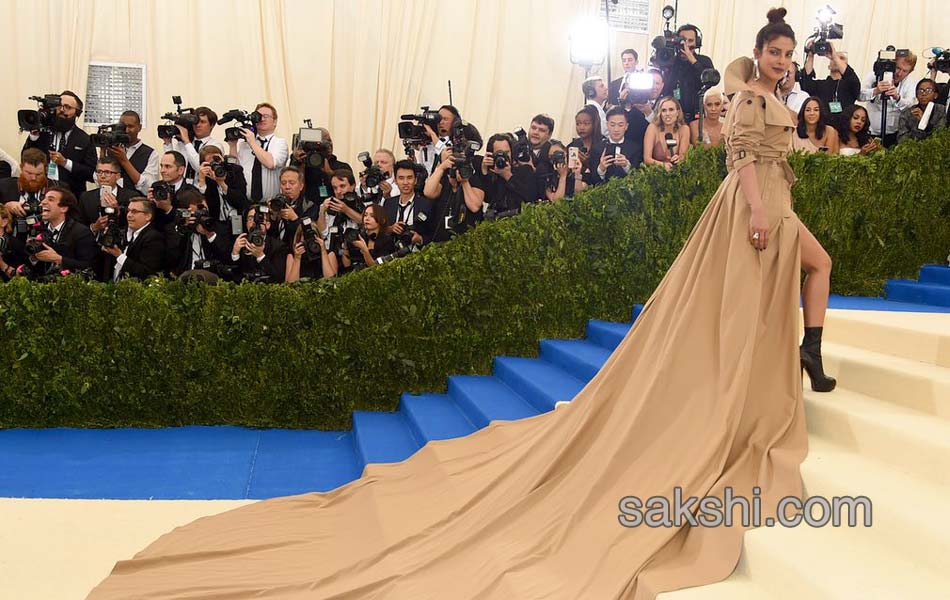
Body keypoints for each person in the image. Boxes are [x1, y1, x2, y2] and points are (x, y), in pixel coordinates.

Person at [87, 10, 821, 600]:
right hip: (756, 208)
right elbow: (745, 162)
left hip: (773, 202)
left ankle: (803, 353)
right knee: (757, 291)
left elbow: (770, 156)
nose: (785, 61)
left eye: (791, 53)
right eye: (777, 50)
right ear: (760, 53)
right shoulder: (751, 99)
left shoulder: (777, 98)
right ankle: (786, 363)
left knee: (804, 271)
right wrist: (758, 207)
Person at [21, 90, 98, 198]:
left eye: (67, 107)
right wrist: (33, 136)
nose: (62, 110)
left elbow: (92, 174)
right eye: (59, 106)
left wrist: (66, 163)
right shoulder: (42, 132)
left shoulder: (85, 139)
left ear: (77, 113)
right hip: (39, 194)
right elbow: (25, 159)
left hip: (71, 197)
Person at [229, 102, 289, 202]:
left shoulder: (280, 143)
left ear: (274, 121)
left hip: (271, 203)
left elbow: (271, 163)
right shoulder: (244, 145)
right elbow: (235, 168)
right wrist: (233, 146)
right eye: (258, 116)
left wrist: (252, 142)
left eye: (266, 116)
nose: (262, 119)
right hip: (246, 203)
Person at [657, 24, 716, 123]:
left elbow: (709, 82)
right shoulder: (672, 62)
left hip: (698, 117)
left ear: (697, 42)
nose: (686, 44)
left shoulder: (704, 61)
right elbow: (665, 88)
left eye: (690, 41)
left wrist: (692, 59)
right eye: (683, 40)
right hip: (673, 118)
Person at [860, 51, 919, 147]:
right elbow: (859, 95)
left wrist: (897, 98)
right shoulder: (874, 75)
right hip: (870, 132)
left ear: (910, 71)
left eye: (905, 71)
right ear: (892, 64)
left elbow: (910, 106)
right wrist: (875, 91)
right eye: (898, 68)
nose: (899, 74)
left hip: (894, 134)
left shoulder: (911, 82)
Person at [800, 42, 861, 126]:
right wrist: (811, 55)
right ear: (828, 66)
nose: (836, 60)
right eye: (833, 59)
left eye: (841, 58)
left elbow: (852, 79)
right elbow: (806, 83)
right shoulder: (820, 85)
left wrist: (835, 57)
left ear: (846, 65)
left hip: (843, 132)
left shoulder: (850, 85)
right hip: (822, 130)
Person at [643, 97, 691, 171]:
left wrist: (679, 159)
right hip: (656, 173)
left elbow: (683, 156)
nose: (667, 114)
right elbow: (647, 159)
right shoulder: (652, 128)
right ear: (660, 113)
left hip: (678, 173)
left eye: (671, 110)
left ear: (678, 112)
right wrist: (662, 165)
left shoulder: (684, 129)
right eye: (664, 110)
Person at [896, 78, 947, 143]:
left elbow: (940, 136)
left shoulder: (941, 110)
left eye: (928, 90)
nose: (924, 94)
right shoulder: (907, 113)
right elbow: (901, 139)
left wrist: (924, 121)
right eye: (921, 90)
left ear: (935, 95)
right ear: (916, 95)